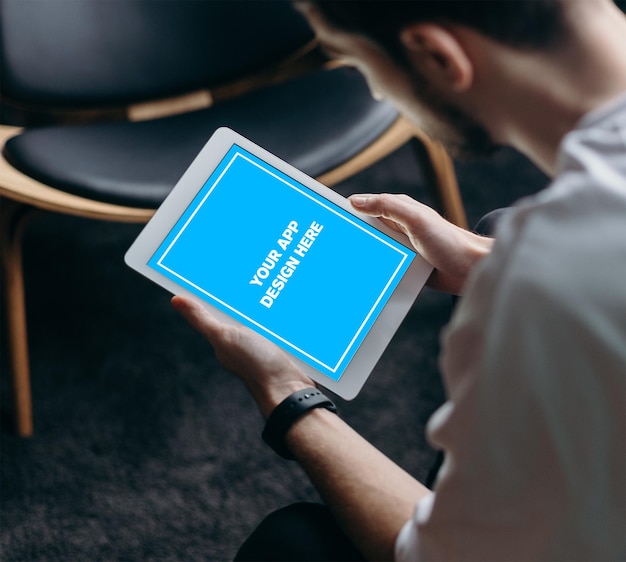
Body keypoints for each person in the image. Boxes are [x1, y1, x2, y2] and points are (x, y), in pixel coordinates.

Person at [172, 1, 626, 560]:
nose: (381, 95)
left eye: (362, 66)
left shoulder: (544, 284)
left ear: (437, 56)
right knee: (499, 230)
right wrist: (488, 261)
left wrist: (286, 393)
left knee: (291, 545)